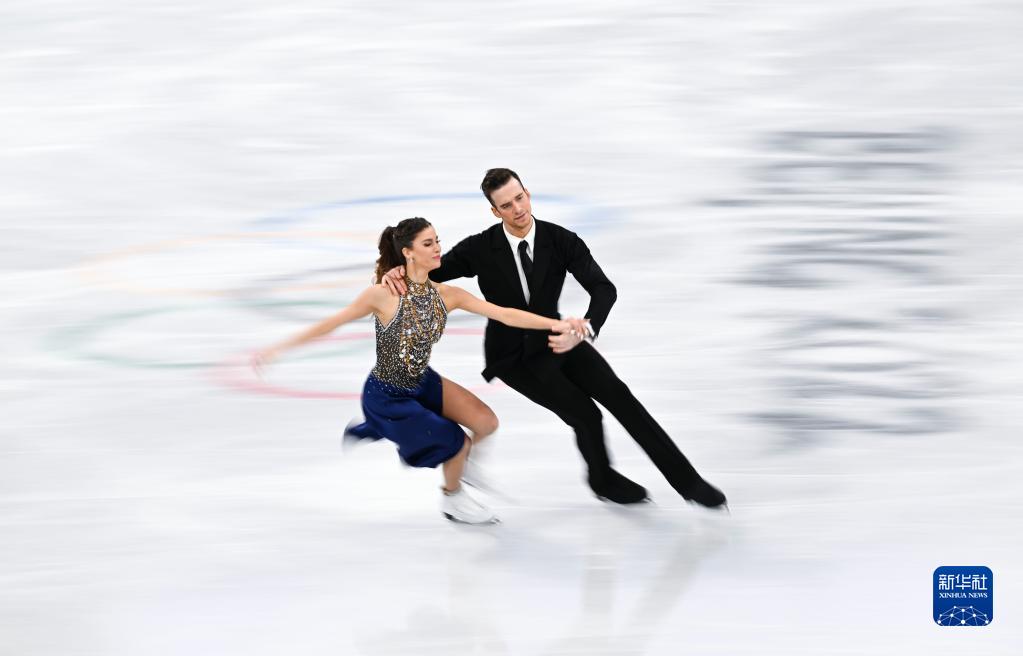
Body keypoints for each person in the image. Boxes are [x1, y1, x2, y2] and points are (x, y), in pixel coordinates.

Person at [382, 169, 727, 509]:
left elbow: (603, 288)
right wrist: (398, 268)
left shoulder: (561, 240)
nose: (517, 209)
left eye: (520, 198)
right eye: (506, 205)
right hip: (514, 357)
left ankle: (689, 483)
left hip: (558, 338)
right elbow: (430, 271)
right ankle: (603, 481)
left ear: (527, 194)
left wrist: (585, 329)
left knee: (622, 398)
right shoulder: (481, 248)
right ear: (495, 211)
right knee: (585, 415)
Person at [254, 217, 588, 525]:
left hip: (421, 381)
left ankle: (423, 449)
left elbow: (505, 314)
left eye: (437, 241)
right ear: (408, 252)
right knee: (457, 444)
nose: (438, 248)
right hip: (387, 395)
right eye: (428, 243)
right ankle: (452, 498)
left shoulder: (448, 295)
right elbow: (332, 323)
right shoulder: (382, 295)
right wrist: (278, 348)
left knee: (486, 422)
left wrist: (557, 324)